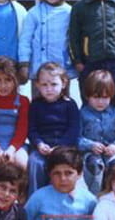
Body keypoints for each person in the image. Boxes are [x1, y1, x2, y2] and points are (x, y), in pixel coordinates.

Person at [18, 0, 76, 88]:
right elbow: (25, 40)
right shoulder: (33, 13)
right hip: (39, 70)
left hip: (62, 69)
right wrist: (24, 64)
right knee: (38, 99)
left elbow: (75, 40)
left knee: (62, 98)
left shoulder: (70, 12)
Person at [27, 62, 80, 193]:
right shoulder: (35, 105)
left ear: (64, 84)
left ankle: (64, 195)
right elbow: (32, 129)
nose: (49, 89)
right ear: (37, 85)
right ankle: (36, 197)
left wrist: (60, 147)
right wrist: (39, 144)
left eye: (54, 84)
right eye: (44, 85)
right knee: (35, 162)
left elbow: (73, 130)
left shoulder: (70, 104)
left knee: (65, 165)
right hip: (42, 148)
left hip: (65, 147)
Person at [78, 69, 115, 195]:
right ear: (87, 96)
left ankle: (114, 195)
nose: (100, 102)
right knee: (94, 164)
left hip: (111, 152)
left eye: (105, 97)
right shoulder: (82, 114)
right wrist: (90, 145)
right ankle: (94, 196)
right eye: (96, 97)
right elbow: (76, 138)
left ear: (111, 96)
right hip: (90, 153)